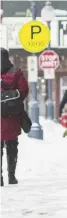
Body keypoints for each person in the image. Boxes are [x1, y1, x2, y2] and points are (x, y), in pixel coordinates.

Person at [1, 48, 29, 187]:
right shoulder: (15, 72)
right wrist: (12, 100)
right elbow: (24, 90)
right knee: (12, 146)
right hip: (11, 116)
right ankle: (11, 176)